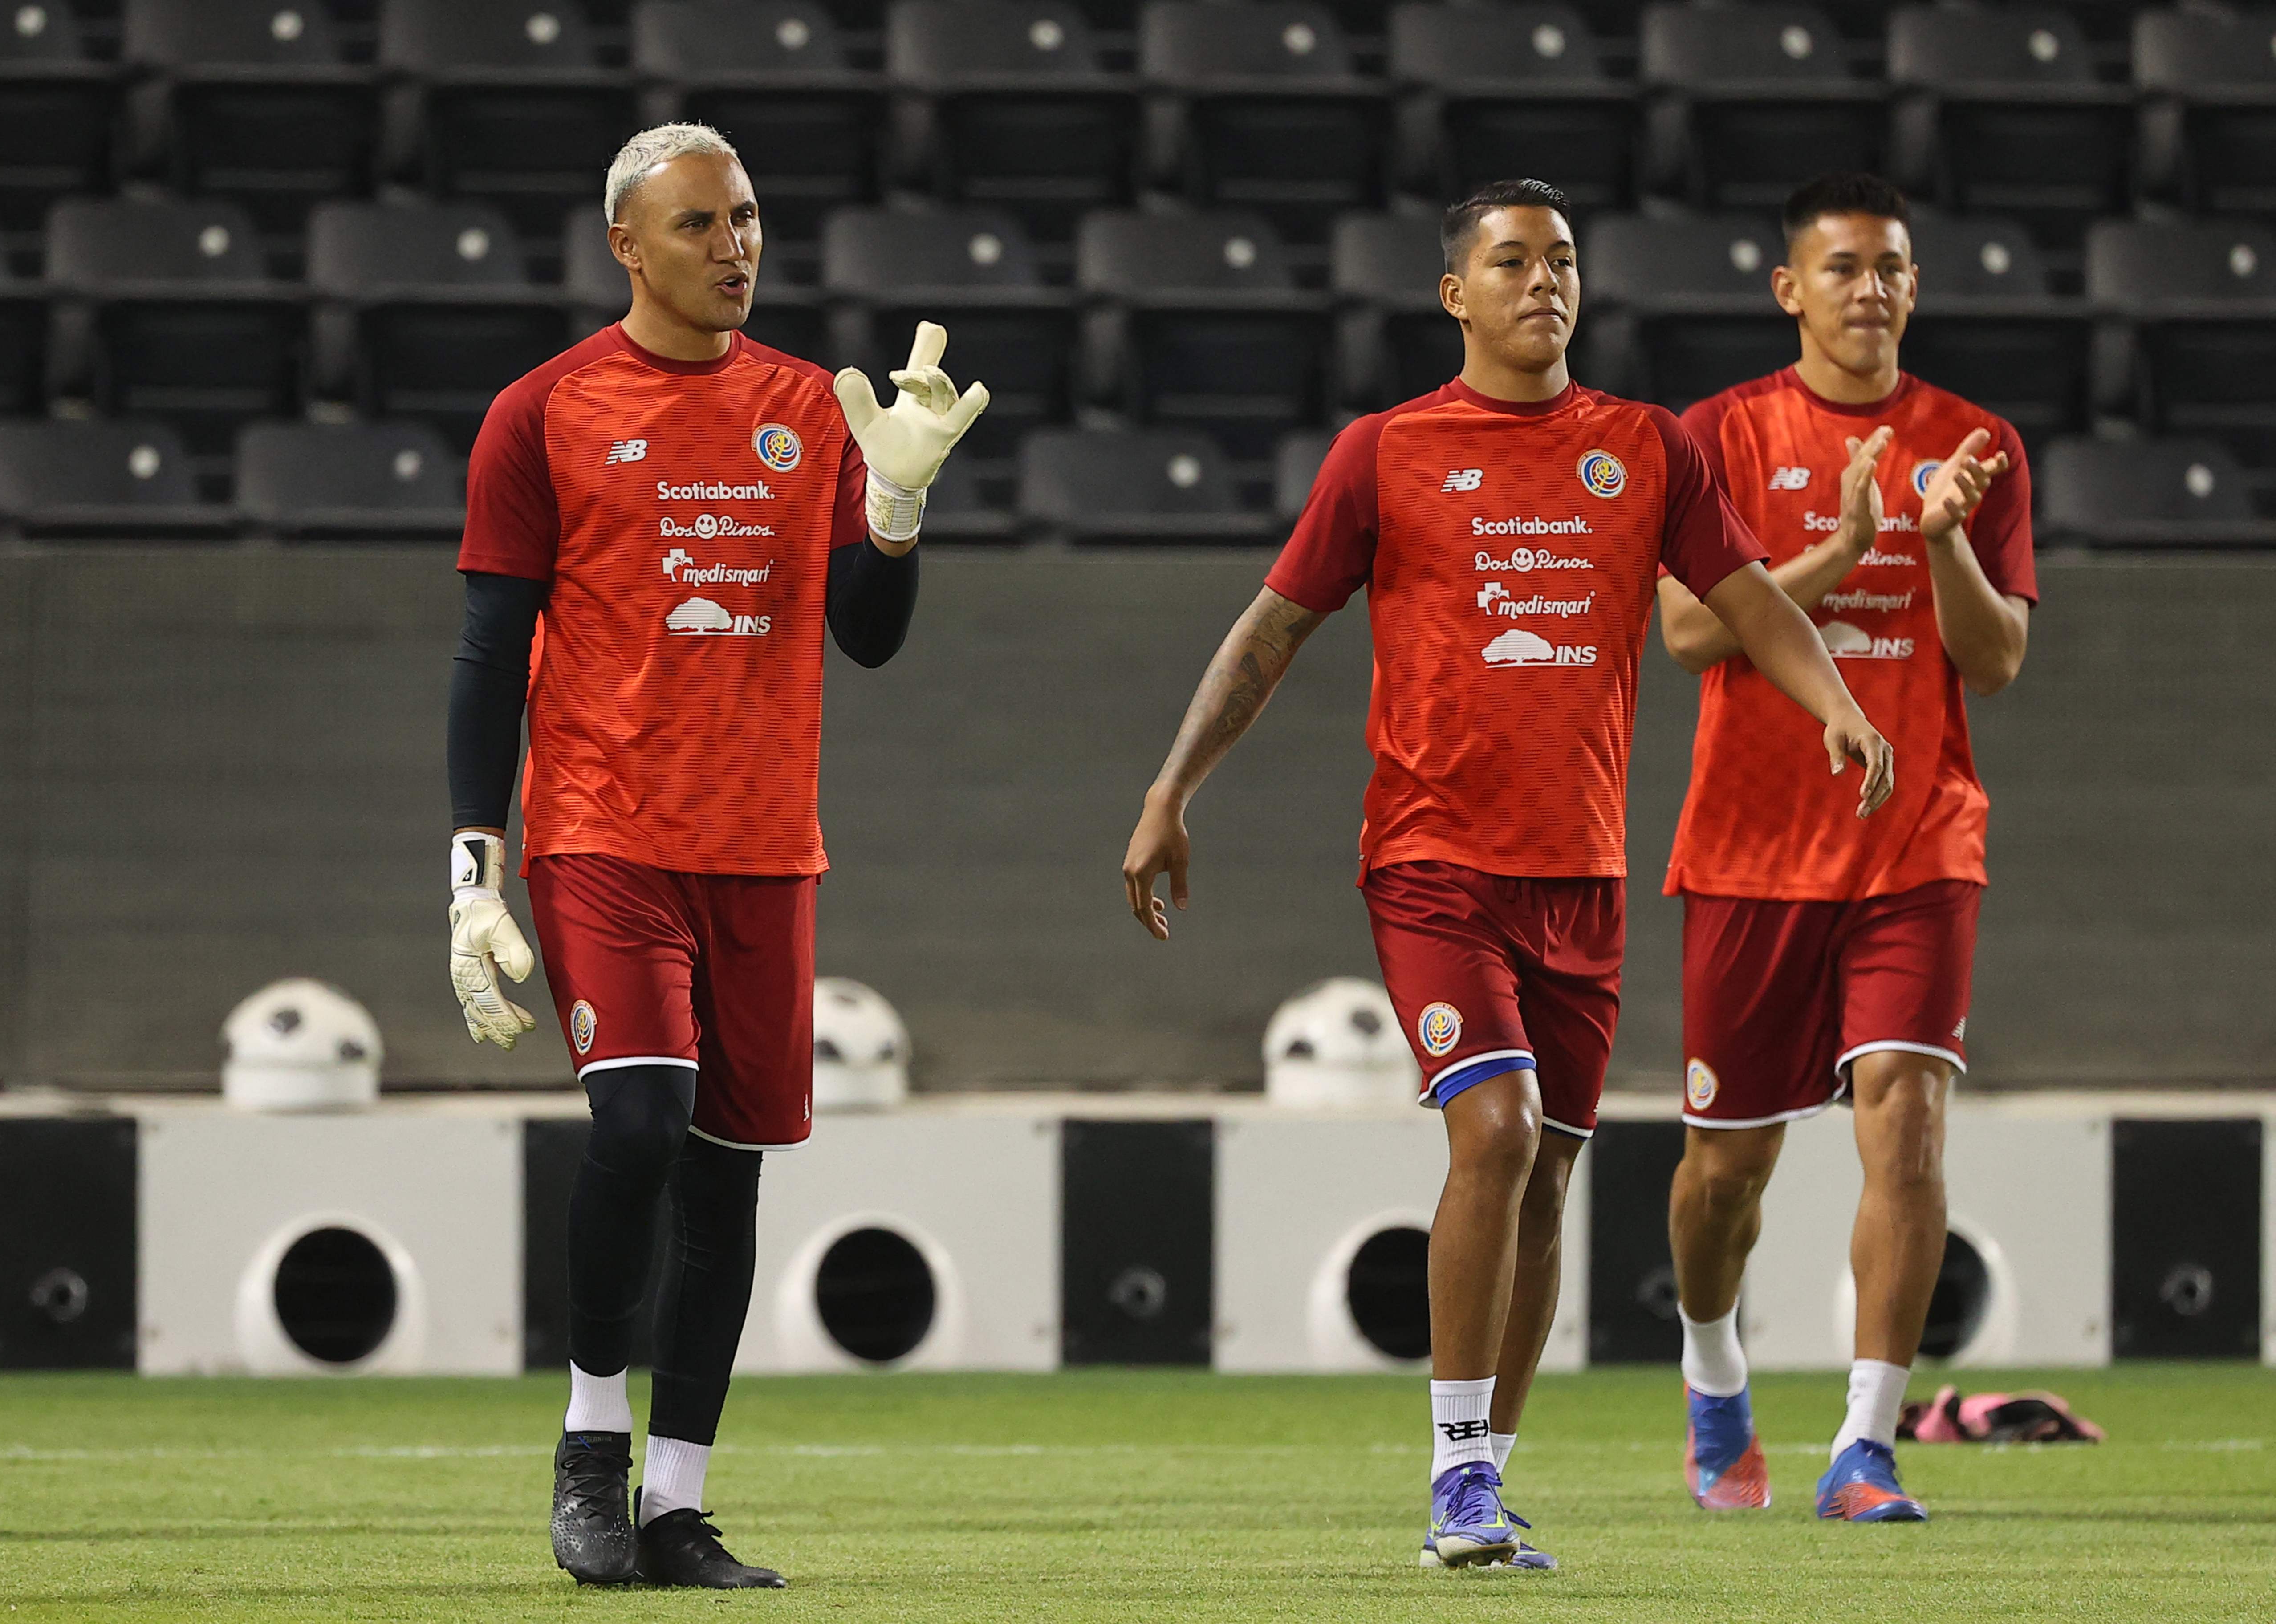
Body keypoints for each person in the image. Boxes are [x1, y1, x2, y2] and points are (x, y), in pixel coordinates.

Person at [1120, 177, 1895, 1573]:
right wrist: (1175, 789)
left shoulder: (1644, 449)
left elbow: (1747, 598)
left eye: (1564, 261)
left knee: (1545, 1183)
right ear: (1454, 297)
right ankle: (1456, 1487)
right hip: (1433, 867)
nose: (1545, 282)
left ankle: (1489, 1475)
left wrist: (1830, 697)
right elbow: (1271, 631)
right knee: (1496, 1135)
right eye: (1514, 263)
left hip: (1581, 881)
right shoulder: (1387, 451)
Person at [443, 122, 987, 1589]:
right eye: (698, 226)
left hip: (763, 850)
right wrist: (470, 865)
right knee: (636, 1130)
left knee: (729, 1180)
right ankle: (586, 1445)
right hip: (603, 835)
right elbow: (492, 653)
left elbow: (864, 637)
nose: (734, 247)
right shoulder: (542, 413)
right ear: (627, 244)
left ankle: (677, 1505)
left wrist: (897, 505)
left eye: (746, 219)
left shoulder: (816, 408)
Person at [1656, 172, 2034, 1525]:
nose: (1868, 289)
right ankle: (1716, 1378)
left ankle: (1866, 1448)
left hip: (1918, 845)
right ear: (1790, 290)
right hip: (1752, 854)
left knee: (1909, 1131)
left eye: (1890, 268)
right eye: (1842, 269)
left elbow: (1993, 664)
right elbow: (1694, 635)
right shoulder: (1718, 437)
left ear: (1913, 287)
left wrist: (1938, 544)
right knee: (1723, 1181)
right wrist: (1842, 544)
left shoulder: (1977, 442)